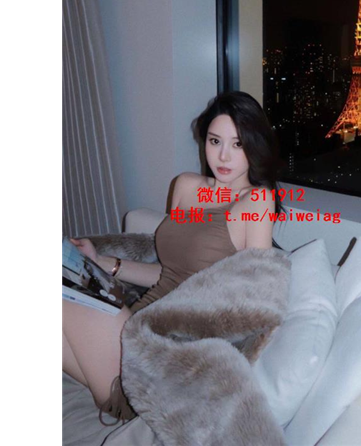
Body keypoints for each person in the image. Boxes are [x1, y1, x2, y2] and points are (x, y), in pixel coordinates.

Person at [62, 91, 285, 425]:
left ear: (254, 146)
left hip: (161, 350)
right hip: (135, 321)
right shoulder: (185, 186)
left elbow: (255, 300)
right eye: (215, 141)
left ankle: (125, 394)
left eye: (237, 144)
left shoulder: (256, 202)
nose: (223, 155)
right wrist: (104, 262)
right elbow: (169, 272)